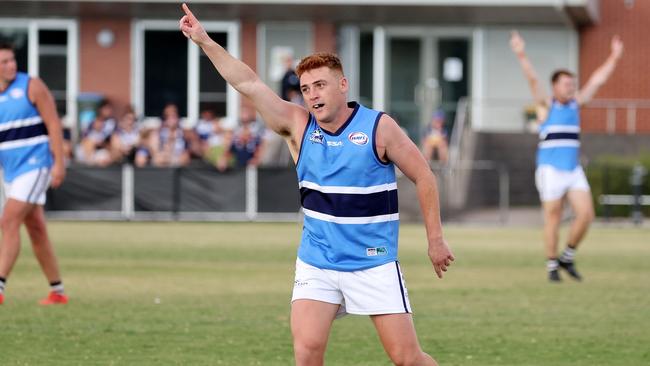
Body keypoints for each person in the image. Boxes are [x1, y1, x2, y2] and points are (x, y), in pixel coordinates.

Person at [180, 4, 454, 365]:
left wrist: (435, 239)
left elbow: (424, 175)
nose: (312, 95)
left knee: (407, 358)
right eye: (306, 88)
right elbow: (247, 83)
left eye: (320, 85)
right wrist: (204, 41)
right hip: (318, 261)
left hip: (373, 262)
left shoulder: (379, 127)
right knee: (307, 353)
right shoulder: (298, 125)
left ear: (342, 85)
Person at [510, 31, 623, 282]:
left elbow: (598, 80)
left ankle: (568, 256)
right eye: (566, 84)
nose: (571, 87)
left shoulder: (576, 103)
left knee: (586, 214)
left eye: (573, 84)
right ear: (555, 86)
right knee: (553, 216)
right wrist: (520, 52)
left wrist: (614, 57)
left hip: (572, 169)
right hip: (550, 169)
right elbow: (532, 78)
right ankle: (552, 264)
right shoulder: (546, 105)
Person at [0, 42, 68, 305]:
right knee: (36, 228)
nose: (11, 65)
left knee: (8, 220)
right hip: (12, 172)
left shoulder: (31, 85)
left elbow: (53, 123)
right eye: (4, 62)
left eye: (12, 60)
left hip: (36, 164)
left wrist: (59, 163)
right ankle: (58, 291)